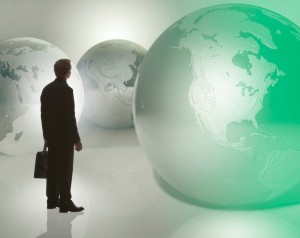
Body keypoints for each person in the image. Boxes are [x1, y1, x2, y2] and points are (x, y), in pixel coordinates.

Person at [40, 58, 84, 213]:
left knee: (52, 169)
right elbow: (69, 118)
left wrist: (46, 135)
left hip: (51, 138)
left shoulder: (46, 89)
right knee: (65, 170)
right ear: (67, 73)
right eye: (70, 70)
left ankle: (51, 201)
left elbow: (43, 115)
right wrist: (76, 140)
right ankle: (65, 202)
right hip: (64, 139)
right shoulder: (66, 91)